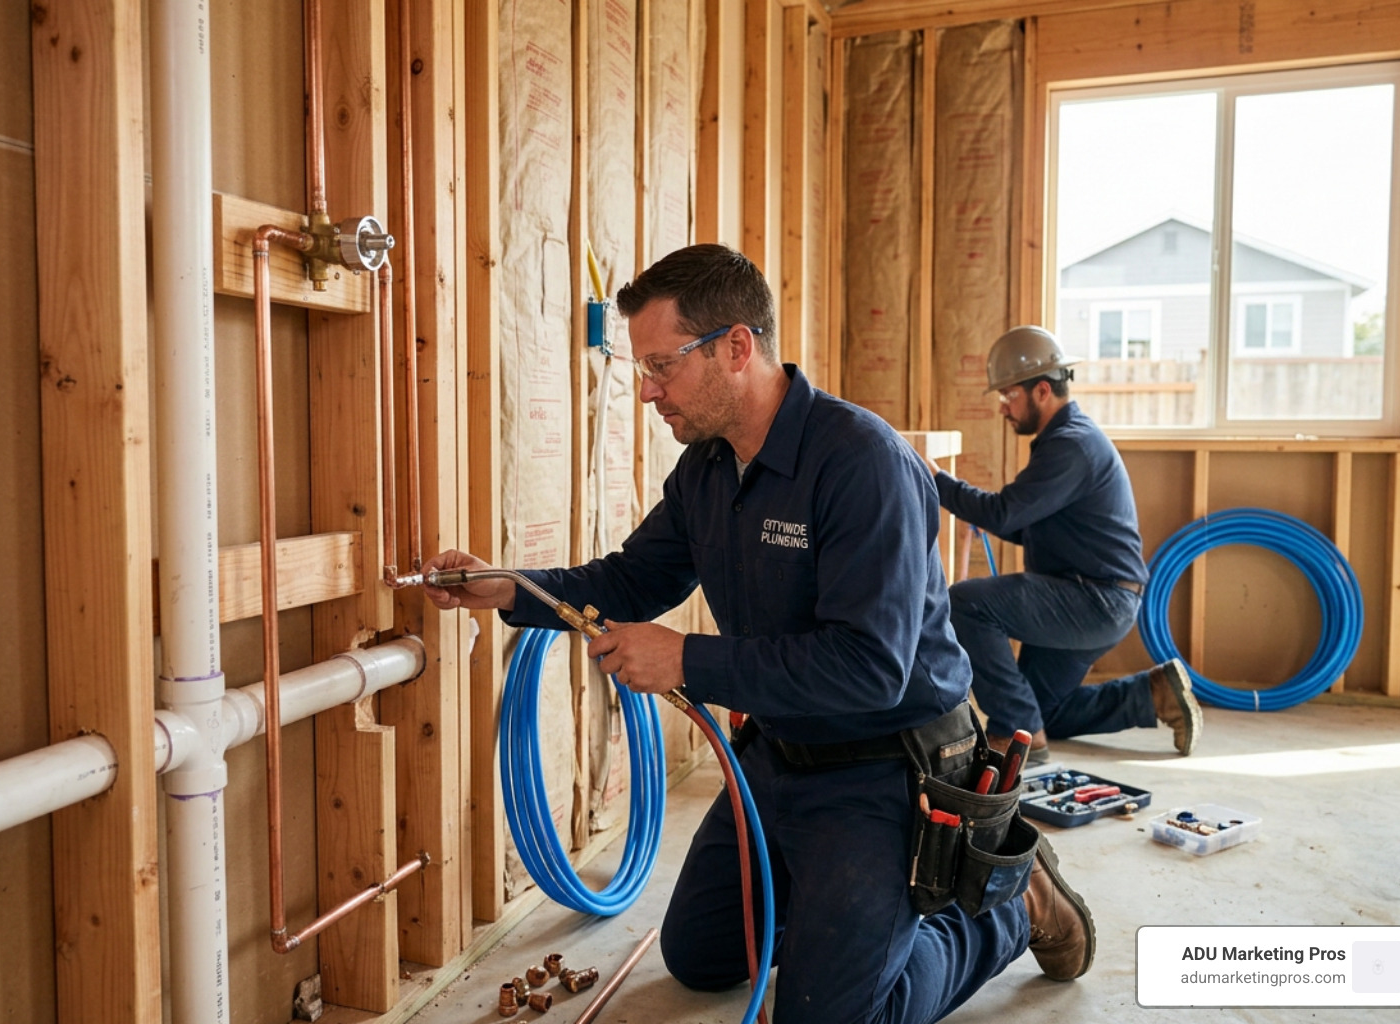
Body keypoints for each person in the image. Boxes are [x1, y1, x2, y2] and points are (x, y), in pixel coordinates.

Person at [423, 246, 1095, 1024]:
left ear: (736, 348)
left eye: (662, 366)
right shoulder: (710, 468)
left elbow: (868, 668)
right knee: (702, 957)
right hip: (778, 759)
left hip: (884, 770)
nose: (648, 391)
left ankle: (1009, 908)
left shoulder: (859, 463)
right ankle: (846, 922)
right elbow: (633, 578)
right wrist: (510, 586)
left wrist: (685, 658)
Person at [924, 325, 1202, 765]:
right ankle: (1153, 695)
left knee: (964, 603)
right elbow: (1025, 524)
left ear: (1040, 391)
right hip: (1094, 597)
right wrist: (977, 510)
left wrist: (936, 481)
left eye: (1008, 395)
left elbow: (1004, 513)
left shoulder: (1072, 446)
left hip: (1094, 599)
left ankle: (1018, 736)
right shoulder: (1065, 440)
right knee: (1042, 710)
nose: (1003, 408)